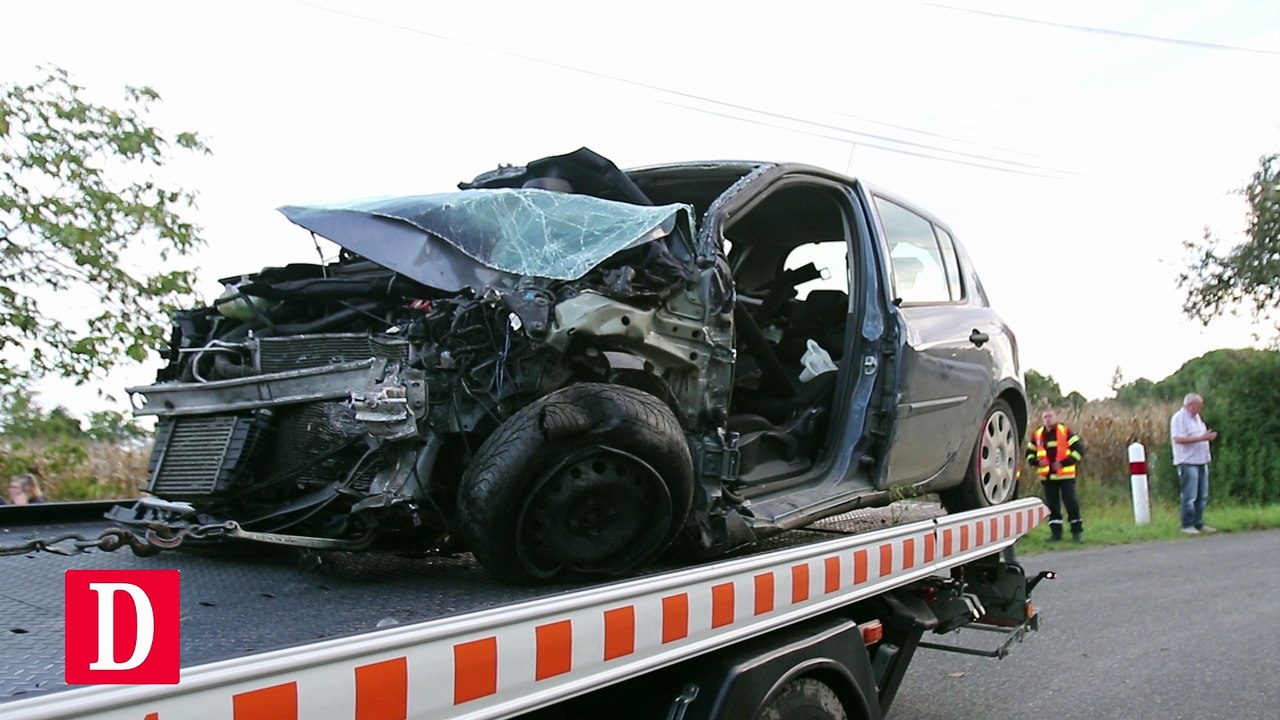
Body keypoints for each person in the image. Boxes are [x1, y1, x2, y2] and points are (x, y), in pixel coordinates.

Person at [1026, 408, 1085, 542]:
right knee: (1052, 506)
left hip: (1065, 476)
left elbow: (1079, 450)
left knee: (1071, 502)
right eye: (1045, 417)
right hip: (1047, 477)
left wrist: (1064, 463)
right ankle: (1056, 533)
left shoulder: (1065, 432)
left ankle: (1077, 532)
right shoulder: (1037, 435)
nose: (1047, 419)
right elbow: (1029, 454)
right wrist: (1036, 462)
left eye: (1050, 416)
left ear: (1056, 417)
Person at [1170, 392, 1217, 535]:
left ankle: (1199, 522)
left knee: (1202, 495)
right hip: (1187, 461)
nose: (1201, 408)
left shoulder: (1197, 418)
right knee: (1190, 495)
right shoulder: (1179, 418)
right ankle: (1187, 524)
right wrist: (1201, 438)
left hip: (1201, 459)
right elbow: (1178, 439)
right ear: (1191, 405)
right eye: (1199, 405)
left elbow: (1200, 436)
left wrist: (1207, 437)